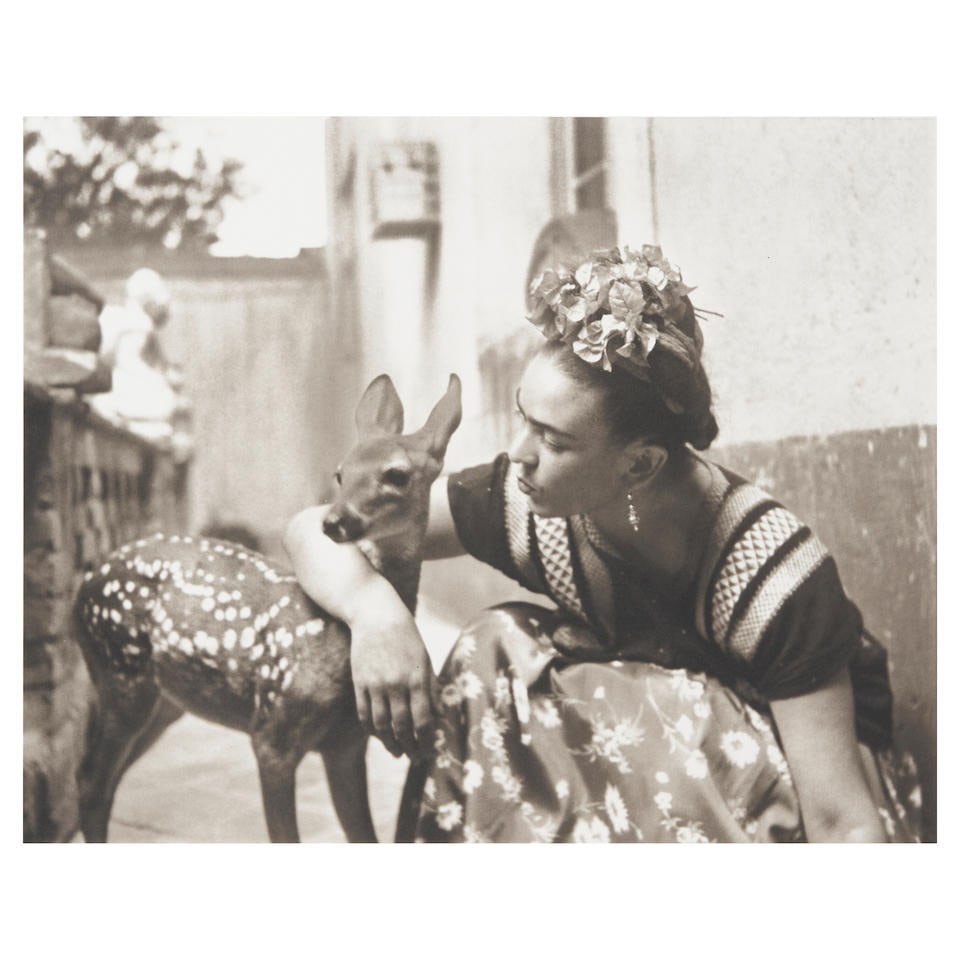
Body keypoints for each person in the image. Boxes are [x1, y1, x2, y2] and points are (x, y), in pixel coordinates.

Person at [283, 244, 922, 842]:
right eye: (522, 420)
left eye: (554, 442)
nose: (520, 456)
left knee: (629, 695)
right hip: (665, 773)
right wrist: (376, 614)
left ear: (639, 465)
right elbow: (314, 527)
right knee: (495, 647)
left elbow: (844, 821)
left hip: (791, 790)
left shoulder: (774, 574)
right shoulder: (529, 499)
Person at [89, 267, 182, 440]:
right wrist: (158, 380)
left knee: (167, 400)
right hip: (122, 381)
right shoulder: (140, 324)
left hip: (116, 378)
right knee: (166, 401)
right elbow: (128, 363)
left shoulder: (125, 319)